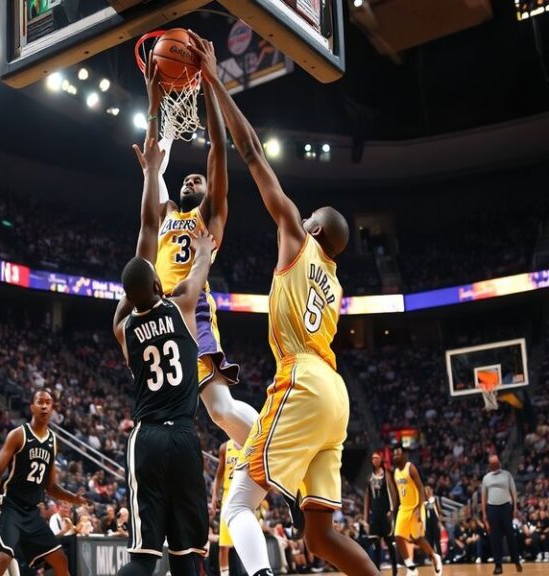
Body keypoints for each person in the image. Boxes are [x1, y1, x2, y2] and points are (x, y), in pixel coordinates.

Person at [186, 31, 373, 576]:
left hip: (303, 380)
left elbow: (251, 152)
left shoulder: (297, 235)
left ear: (312, 225)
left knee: (239, 504)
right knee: (320, 536)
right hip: (335, 398)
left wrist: (216, 80)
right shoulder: (334, 283)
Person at [140, 46, 257, 449]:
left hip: (193, 310)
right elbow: (152, 164)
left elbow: (218, 153)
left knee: (220, 408)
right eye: (186, 179)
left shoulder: (209, 217)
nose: (191, 182)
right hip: (160, 313)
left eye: (197, 180)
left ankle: (269, 447)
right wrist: (154, 102)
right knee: (196, 411)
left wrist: (208, 82)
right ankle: (259, 454)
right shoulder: (166, 211)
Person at [111, 130, 213, 575]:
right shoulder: (184, 305)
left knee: (143, 558)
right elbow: (194, 256)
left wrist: (153, 172)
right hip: (184, 437)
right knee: (188, 557)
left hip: (147, 437)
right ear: (158, 285)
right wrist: (205, 251)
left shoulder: (122, 328)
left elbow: (147, 231)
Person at [0, 389, 89, 576]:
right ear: (32, 407)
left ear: (52, 408)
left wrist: (74, 498)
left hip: (32, 513)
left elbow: (50, 487)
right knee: (3, 558)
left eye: (48, 402)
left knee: (60, 559)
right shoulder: (18, 435)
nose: (44, 405)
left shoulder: (52, 441)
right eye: (40, 402)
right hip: (11, 508)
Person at [392, 447, 442, 576]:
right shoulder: (395, 472)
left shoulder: (410, 468)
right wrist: (393, 509)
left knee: (417, 538)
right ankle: (411, 567)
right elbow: (398, 493)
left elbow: (420, 488)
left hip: (415, 507)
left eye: (398, 454)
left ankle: (434, 557)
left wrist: (420, 508)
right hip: (403, 508)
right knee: (398, 536)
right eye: (394, 454)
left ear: (404, 455)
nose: (395, 456)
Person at [482, 454, 522, 574]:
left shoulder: (507, 475)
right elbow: (484, 497)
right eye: (492, 463)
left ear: (499, 462)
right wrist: (484, 514)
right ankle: (498, 565)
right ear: (490, 465)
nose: (495, 464)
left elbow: (513, 492)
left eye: (496, 462)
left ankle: (516, 561)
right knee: (495, 538)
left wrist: (515, 508)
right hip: (492, 508)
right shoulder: (486, 478)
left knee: (510, 535)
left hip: (506, 507)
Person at [364, 451, 399, 576]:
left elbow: (394, 493)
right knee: (376, 543)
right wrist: (365, 518)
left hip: (385, 513)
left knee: (389, 543)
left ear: (381, 460)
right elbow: (367, 499)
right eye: (372, 458)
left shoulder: (387, 475)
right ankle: (377, 571)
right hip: (375, 514)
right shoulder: (369, 477)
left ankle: (395, 569)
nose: (374, 460)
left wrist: (392, 510)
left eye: (376, 458)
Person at [211, 440, 242, 576]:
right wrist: (214, 496)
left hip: (244, 497)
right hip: (228, 499)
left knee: (244, 543)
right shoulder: (225, 447)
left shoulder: (250, 443)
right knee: (224, 545)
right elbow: (218, 475)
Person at [424, 486, 443, 558]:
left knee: (437, 539)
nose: (427, 491)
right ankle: (430, 557)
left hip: (435, 521)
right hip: (427, 522)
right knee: (429, 540)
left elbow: (439, 511)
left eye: (429, 490)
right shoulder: (423, 501)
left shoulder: (435, 499)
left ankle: (440, 556)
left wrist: (440, 521)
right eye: (426, 490)